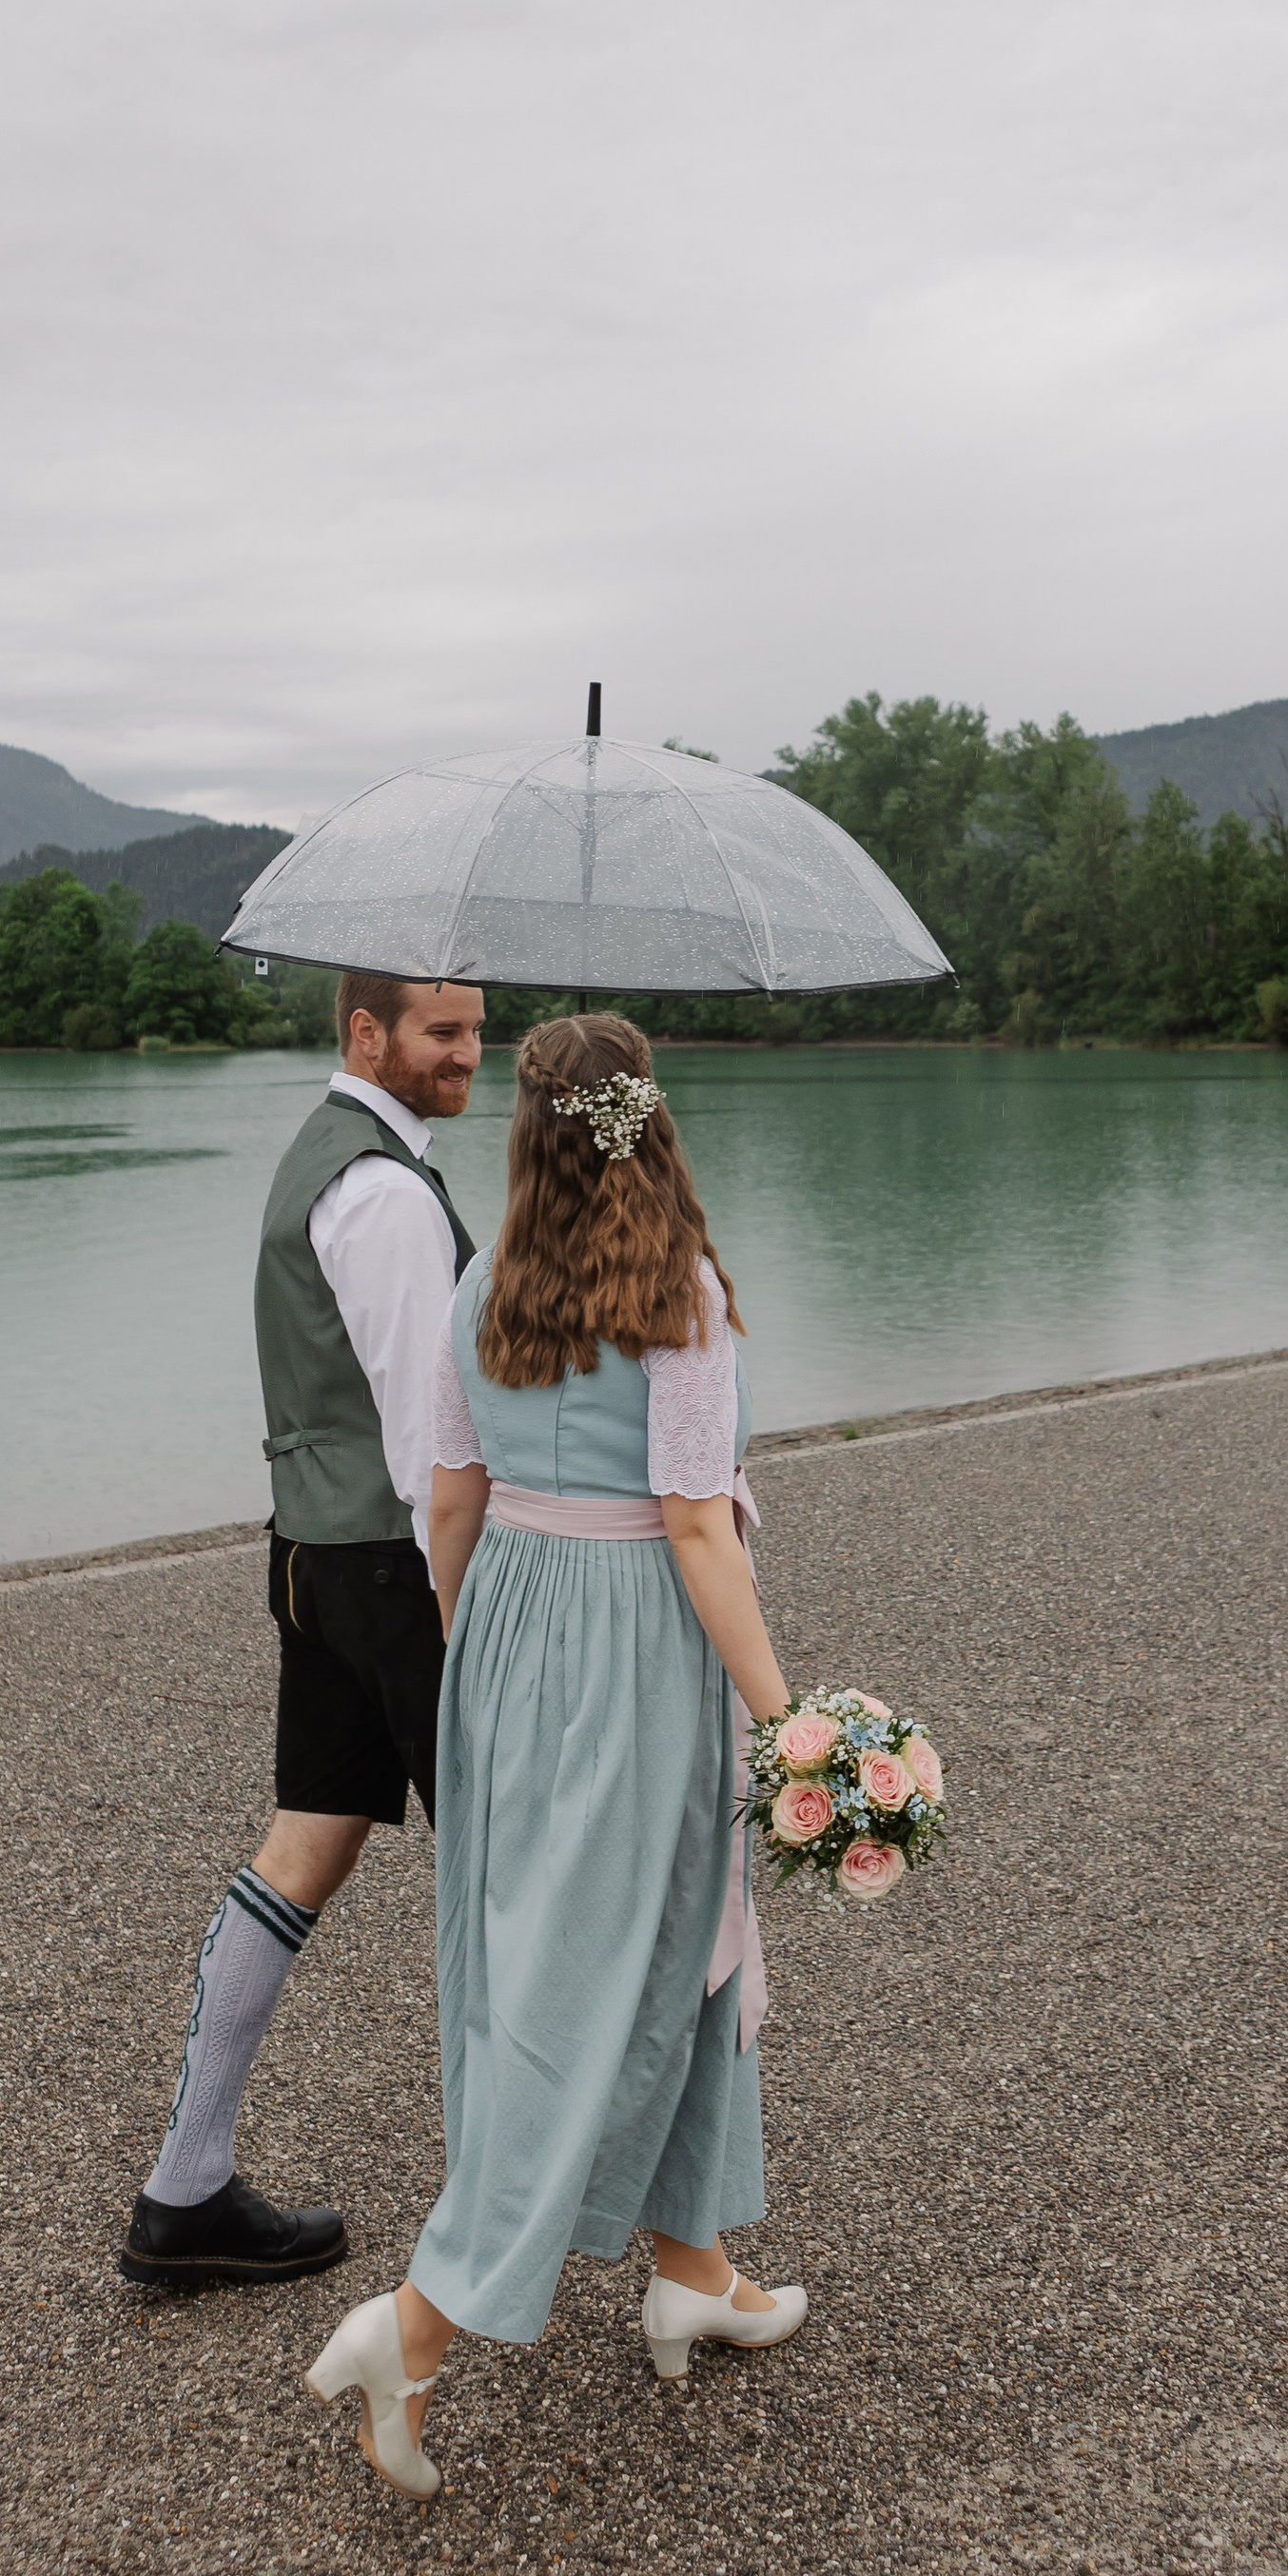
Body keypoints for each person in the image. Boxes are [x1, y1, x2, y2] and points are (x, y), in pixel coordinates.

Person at [303, 1013, 807, 2494]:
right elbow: (700, 1527)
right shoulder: (682, 1296)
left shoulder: (482, 1287)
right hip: (639, 1649)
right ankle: (420, 2322)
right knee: (595, 1981)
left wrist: (481, 1659)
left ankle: (693, 2266)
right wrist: (788, 1718)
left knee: (660, 1949)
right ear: (652, 1124)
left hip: (511, 1639)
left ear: (531, 1135)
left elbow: (448, 1501)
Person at [119, 972, 486, 2288]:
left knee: (309, 1842)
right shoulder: (383, 1191)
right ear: (366, 1032)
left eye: (475, 1029)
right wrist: (480, 1593)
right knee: (503, 1870)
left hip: (313, 1553)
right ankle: (514, 2213)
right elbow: (423, 1429)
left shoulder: (321, 1156)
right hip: (399, 1569)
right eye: (442, 1033)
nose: (467, 1053)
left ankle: (187, 2188)